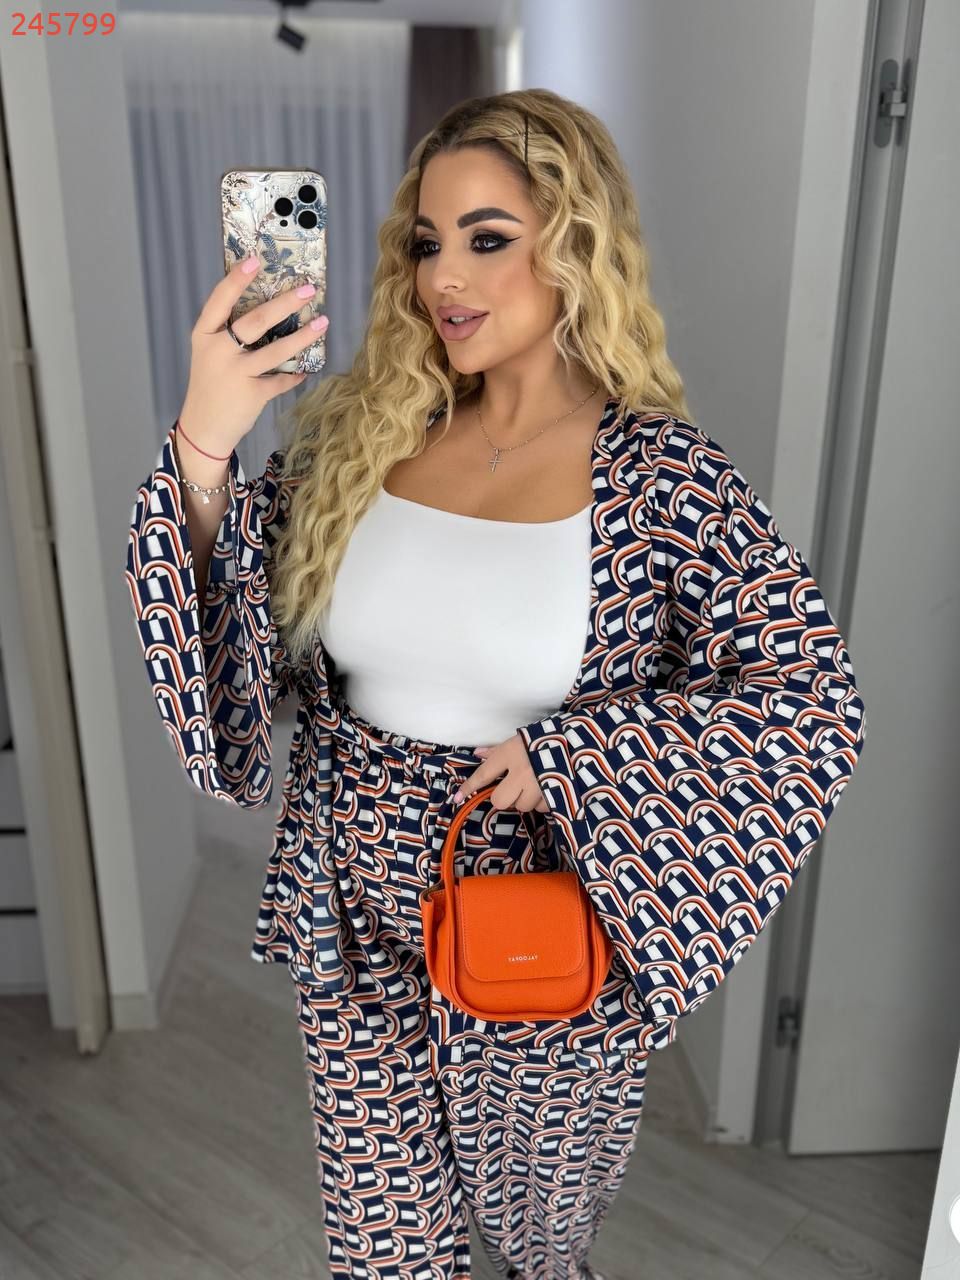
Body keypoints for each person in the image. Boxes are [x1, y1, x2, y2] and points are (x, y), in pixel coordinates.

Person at [125, 87, 866, 1280]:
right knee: (385, 1250)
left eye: (487, 237)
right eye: (427, 241)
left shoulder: (663, 476)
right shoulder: (366, 436)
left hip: (537, 906)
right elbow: (225, 623)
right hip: (353, 909)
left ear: (576, 243)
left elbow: (809, 697)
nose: (445, 278)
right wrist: (207, 440)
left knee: (538, 1246)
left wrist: (575, 757)